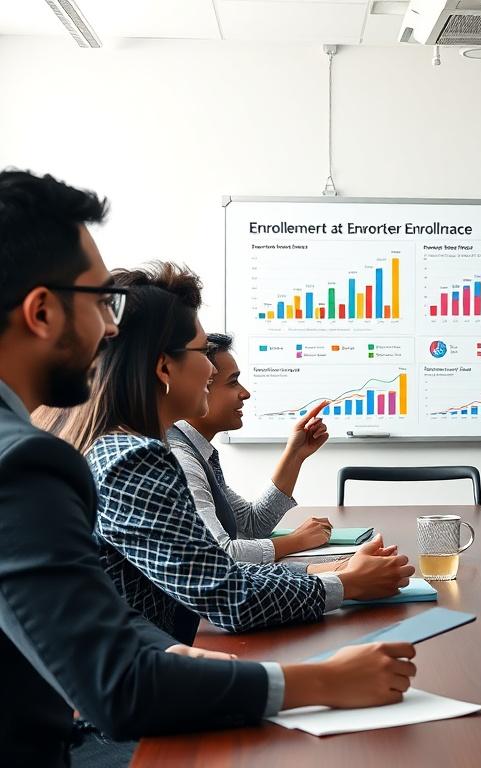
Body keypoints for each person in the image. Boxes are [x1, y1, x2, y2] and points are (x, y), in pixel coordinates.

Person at [0, 170, 415, 766]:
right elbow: (119, 684)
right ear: (41, 312)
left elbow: (82, 612)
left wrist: (166, 651)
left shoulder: (43, 447)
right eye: (101, 302)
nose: (111, 326)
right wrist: (319, 682)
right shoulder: (40, 464)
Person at [53, 261, 414, 644]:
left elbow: (219, 570)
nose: (210, 368)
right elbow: (230, 598)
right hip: (144, 682)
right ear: (164, 368)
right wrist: (346, 584)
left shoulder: (132, 448)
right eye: (200, 351)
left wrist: (337, 573)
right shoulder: (134, 461)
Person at [166, 333, 337, 566]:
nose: (245, 393)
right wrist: (296, 540)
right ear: (200, 385)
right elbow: (221, 554)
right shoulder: (182, 460)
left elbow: (252, 524)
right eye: (232, 382)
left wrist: (295, 455)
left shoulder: (197, 452)